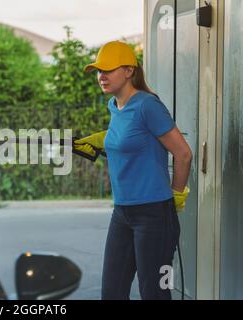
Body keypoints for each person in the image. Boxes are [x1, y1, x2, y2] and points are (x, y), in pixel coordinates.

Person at [74, 41, 192, 300]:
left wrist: (176, 194)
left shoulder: (148, 105)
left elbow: (183, 153)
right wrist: (100, 140)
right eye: (98, 71)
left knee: (155, 293)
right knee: (112, 292)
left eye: (108, 69)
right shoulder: (114, 107)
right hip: (123, 213)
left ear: (129, 71)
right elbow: (131, 137)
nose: (101, 76)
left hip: (155, 214)